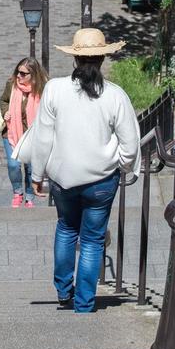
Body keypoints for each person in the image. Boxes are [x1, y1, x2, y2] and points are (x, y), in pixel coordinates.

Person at [29, 28, 141, 313]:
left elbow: (43, 137)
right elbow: (130, 143)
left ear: (75, 58)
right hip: (102, 179)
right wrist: (124, 165)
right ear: (103, 57)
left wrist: (37, 174)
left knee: (66, 228)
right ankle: (84, 303)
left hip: (64, 177)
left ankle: (64, 291)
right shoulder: (115, 95)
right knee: (92, 240)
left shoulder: (55, 89)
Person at [0, 57, 47, 207]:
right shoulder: (11, 85)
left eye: (23, 73)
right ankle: (18, 191)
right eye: (17, 72)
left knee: (31, 167)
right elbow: (4, 100)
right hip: (12, 131)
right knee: (14, 165)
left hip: (33, 135)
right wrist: (5, 111)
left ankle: (30, 196)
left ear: (33, 75)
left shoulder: (43, 88)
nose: (18, 76)